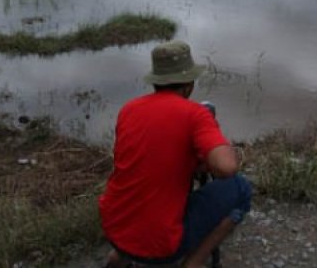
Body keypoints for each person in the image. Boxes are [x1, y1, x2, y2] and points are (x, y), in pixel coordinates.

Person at [99, 40, 252, 268]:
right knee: (240, 188)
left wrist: (191, 161)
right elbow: (226, 167)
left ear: (156, 81)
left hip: (113, 229)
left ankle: (119, 257)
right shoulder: (196, 115)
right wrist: (213, 142)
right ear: (189, 83)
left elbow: (150, 159)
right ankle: (193, 263)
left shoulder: (128, 109)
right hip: (161, 247)